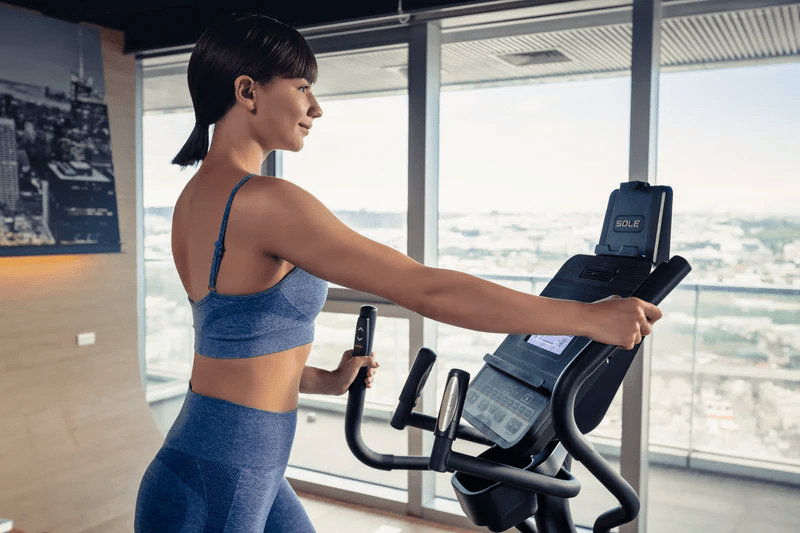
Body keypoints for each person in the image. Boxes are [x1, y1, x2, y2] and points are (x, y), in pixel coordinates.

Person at [134, 13, 662, 533]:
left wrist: (325, 379)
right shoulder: (264, 202)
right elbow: (426, 288)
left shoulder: (193, 199)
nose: (315, 108)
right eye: (301, 87)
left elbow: (232, 346)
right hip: (221, 479)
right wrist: (585, 317)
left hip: (228, 459)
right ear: (247, 91)